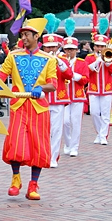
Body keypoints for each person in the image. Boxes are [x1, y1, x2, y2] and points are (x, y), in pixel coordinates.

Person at [0, 18, 56, 200]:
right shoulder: (13, 56)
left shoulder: (48, 60)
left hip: (39, 108)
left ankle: (33, 185)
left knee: (38, 147)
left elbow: (53, 84)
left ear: (36, 36)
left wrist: (42, 88)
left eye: (26, 34)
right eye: (22, 34)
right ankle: (16, 179)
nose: (23, 37)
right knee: (15, 143)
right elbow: (0, 76)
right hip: (18, 106)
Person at [43, 33, 72, 168]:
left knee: (56, 130)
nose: (51, 50)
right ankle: (43, 155)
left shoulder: (63, 60)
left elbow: (69, 75)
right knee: (43, 130)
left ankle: (53, 157)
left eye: (53, 47)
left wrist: (59, 62)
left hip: (58, 99)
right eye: (48, 47)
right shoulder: (40, 59)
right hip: (43, 99)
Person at [85, 33, 112, 145]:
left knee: (105, 113)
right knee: (94, 112)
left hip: (106, 89)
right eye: (98, 46)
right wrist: (97, 61)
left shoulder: (110, 56)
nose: (100, 48)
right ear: (94, 47)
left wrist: (108, 63)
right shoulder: (89, 58)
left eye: (102, 46)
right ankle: (99, 133)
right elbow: (87, 71)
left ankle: (103, 136)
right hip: (93, 88)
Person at [62, 36, 89, 157]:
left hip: (77, 95)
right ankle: (68, 143)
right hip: (64, 96)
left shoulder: (82, 63)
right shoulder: (61, 61)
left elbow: (86, 79)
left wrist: (76, 77)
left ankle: (74, 147)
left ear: (76, 50)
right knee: (65, 122)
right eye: (67, 49)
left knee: (76, 122)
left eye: (72, 49)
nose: (69, 52)